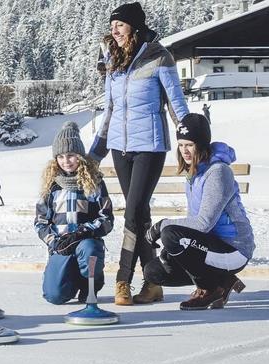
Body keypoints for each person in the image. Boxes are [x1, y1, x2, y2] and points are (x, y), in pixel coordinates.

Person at [87, 2, 190, 306]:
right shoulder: (113, 59)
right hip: (120, 147)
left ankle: (122, 280)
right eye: (112, 25)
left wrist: (190, 140)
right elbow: (110, 109)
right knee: (140, 215)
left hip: (151, 146)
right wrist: (97, 151)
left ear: (134, 25)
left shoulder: (159, 56)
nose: (114, 30)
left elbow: (176, 103)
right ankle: (154, 282)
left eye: (119, 24)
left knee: (132, 212)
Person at [142, 113, 254, 310]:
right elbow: (194, 225)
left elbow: (203, 223)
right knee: (153, 271)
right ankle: (222, 281)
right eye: (181, 145)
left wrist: (162, 225)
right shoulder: (194, 174)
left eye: (190, 145)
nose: (184, 150)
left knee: (171, 234)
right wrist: (173, 252)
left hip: (234, 248)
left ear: (201, 145)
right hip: (209, 246)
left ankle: (209, 289)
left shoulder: (217, 172)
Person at [36, 122, 114, 304]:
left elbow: (107, 218)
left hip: (85, 243)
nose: (66, 161)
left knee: (89, 248)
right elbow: (40, 222)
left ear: (79, 156)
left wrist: (85, 232)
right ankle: (70, 281)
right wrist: (54, 242)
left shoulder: (93, 182)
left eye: (71, 155)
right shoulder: (51, 186)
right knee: (54, 296)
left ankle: (90, 283)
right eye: (61, 156)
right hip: (62, 246)